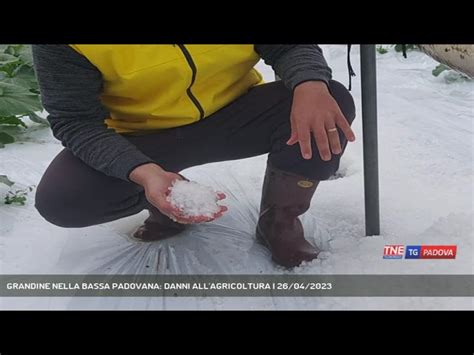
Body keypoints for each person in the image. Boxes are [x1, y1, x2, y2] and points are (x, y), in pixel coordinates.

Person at [32, 45, 356, 268]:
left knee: (330, 104)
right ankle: (163, 198)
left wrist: (310, 84)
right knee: (65, 199)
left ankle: (279, 221)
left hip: (235, 113)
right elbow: (76, 121)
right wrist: (143, 172)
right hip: (139, 137)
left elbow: (287, 47)